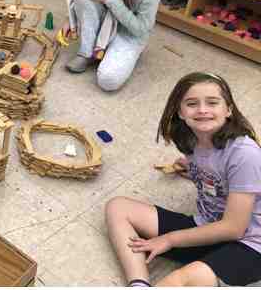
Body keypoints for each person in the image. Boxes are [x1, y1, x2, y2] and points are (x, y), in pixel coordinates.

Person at [105, 72, 261, 286]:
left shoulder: (245, 153)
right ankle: (138, 283)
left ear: (228, 110)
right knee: (118, 207)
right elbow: (217, 176)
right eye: (192, 103)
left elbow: (234, 228)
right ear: (180, 111)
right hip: (208, 227)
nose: (202, 110)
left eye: (212, 102)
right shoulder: (193, 140)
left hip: (251, 243)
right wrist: (194, 170)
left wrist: (169, 239)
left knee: (181, 280)